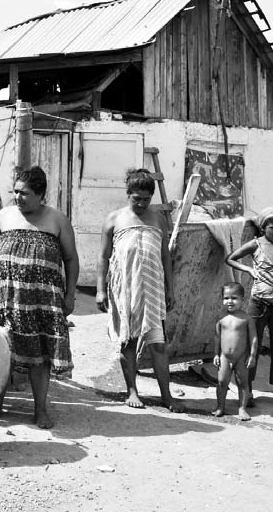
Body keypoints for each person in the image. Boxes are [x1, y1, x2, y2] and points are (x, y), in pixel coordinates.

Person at [0, 166, 79, 429]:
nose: (17, 197)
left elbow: (70, 259)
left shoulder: (57, 220)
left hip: (42, 303)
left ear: (40, 194)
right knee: (3, 352)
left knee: (40, 356)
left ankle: (40, 410)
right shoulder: (3, 216)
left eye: (24, 193)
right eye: (15, 191)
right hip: (5, 299)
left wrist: (70, 296)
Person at [96, 168, 183, 412]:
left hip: (153, 289)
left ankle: (166, 396)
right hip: (126, 288)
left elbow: (165, 255)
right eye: (137, 198)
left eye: (146, 199)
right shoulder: (114, 219)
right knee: (129, 342)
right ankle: (132, 390)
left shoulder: (159, 219)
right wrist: (100, 290)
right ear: (128, 194)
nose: (142, 203)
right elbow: (103, 257)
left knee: (158, 344)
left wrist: (170, 287)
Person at [226, 207, 273, 412]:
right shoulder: (256, 244)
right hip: (258, 304)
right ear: (263, 227)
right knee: (253, 348)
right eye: (272, 227)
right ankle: (247, 391)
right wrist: (249, 269)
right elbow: (231, 258)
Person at [212, 282, 258, 421]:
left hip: (241, 357)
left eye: (234, 298)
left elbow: (254, 338)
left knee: (242, 382)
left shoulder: (246, 318)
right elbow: (217, 337)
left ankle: (242, 408)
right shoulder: (221, 318)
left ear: (242, 299)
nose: (229, 301)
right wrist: (215, 354)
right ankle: (220, 406)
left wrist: (252, 355)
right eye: (226, 298)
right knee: (221, 381)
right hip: (224, 356)